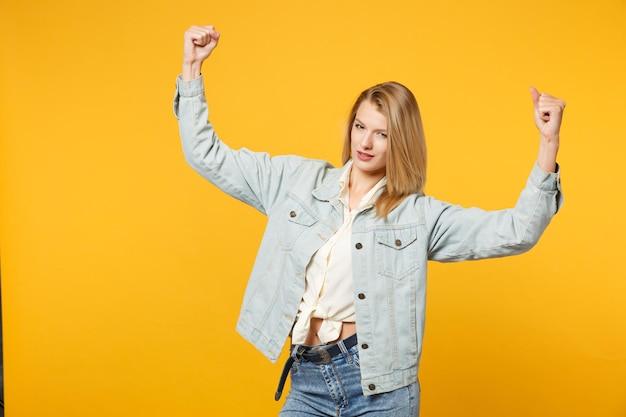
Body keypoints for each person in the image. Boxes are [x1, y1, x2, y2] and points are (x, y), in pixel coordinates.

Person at [174, 25, 565, 417]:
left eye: (382, 134)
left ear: (402, 141)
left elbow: (518, 231)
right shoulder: (294, 182)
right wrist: (192, 67)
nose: (365, 143)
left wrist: (548, 143)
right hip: (308, 382)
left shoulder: (416, 217)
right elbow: (206, 155)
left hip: (381, 390)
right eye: (360, 127)